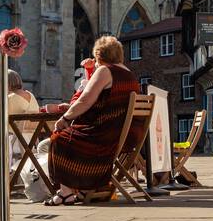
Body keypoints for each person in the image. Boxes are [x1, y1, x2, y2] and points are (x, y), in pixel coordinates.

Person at [44, 36, 143, 206]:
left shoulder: (105, 71)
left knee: (59, 138)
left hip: (103, 136)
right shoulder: (129, 75)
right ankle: (85, 188)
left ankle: (65, 193)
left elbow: (85, 100)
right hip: (124, 137)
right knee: (69, 136)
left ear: (99, 55)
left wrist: (65, 118)